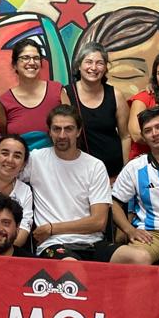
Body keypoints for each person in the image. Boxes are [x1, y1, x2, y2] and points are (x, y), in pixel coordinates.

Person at [26, 105, 113, 261]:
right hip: (54, 244)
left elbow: (99, 222)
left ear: (78, 131)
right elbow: (4, 174)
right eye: (56, 129)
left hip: (93, 242)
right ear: (49, 131)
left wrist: (52, 228)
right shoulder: (35, 159)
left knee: (138, 257)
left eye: (68, 129)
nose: (62, 135)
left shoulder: (95, 165)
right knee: (72, 265)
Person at [109, 108, 159, 266]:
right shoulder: (136, 167)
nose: (155, 133)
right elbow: (113, 203)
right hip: (154, 234)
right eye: (148, 130)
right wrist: (130, 230)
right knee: (136, 258)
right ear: (143, 137)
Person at [66, 42, 130, 180]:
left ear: (106, 67)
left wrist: (125, 172)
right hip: (80, 175)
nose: (94, 67)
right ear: (79, 66)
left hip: (114, 174)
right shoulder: (66, 94)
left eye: (99, 63)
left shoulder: (116, 95)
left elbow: (125, 137)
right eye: (88, 62)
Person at [0, 40, 67, 150]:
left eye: (36, 58)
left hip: (57, 159)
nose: (32, 62)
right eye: (25, 58)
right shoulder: (4, 101)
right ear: (15, 65)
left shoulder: (57, 90)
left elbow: (70, 128)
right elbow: (4, 139)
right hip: (20, 160)